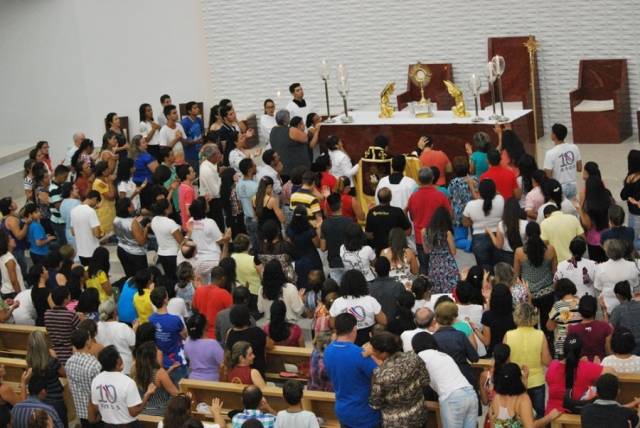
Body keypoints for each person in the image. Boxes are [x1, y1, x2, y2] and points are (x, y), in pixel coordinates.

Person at [324, 313, 381, 428]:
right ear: (354, 329)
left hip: (342, 411)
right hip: (365, 414)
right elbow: (380, 377)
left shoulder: (328, 351)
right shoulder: (361, 354)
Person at [412, 332, 478, 428]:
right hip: (470, 393)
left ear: (415, 346)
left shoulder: (421, 356)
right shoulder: (444, 355)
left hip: (452, 397)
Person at [366, 331, 429, 428]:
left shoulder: (380, 374)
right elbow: (425, 381)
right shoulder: (414, 357)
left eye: (373, 350)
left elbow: (375, 403)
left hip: (397, 423)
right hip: (419, 415)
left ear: (383, 353)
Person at [88, 345, 158, 425]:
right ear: (118, 361)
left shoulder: (96, 380)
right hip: (128, 425)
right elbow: (134, 412)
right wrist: (147, 395)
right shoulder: (128, 382)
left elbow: (95, 408)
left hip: (107, 425)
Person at [503, 303, 552, 417]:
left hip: (515, 381)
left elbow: (505, 361)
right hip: (537, 381)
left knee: (517, 417)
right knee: (538, 417)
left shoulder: (508, 335)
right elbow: (546, 361)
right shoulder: (540, 334)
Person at [545, 334, 605, 414]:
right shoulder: (588, 367)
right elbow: (612, 374)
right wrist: (596, 367)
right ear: (580, 351)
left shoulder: (552, 365)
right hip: (577, 415)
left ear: (564, 350)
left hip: (552, 417)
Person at [407, 167, 452, 273]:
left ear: (418, 180)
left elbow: (412, 217)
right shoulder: (440, 196)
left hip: (420, 238)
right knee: (440, 267)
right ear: (432, 178)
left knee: (424, 267)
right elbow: (449, 215)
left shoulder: (413, 197)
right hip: (439, 236)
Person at [490, 363, 561, 427]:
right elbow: (530, 426)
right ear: (519, 378)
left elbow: (493, 423)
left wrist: (525, 379)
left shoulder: (496, 398)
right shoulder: (523, 399)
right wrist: (549, 417)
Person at [330, 269, 386, 345]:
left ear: (343, 284)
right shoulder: (370, 300)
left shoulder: (337, 302)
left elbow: (332, 324)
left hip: (345, 342)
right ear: (363, 284)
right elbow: (383, 321)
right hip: (367, 342)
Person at [462, 178, 504, 270]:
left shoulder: (471, 205)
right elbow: (493, 196)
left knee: (484, 270)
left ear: (479, 191)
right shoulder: (500, 200)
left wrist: (472, 187)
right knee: (498, 268)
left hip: (479, 240)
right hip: (498, 236)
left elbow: (465, 223)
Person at [149, 287, 188, 382]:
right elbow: (185, 335)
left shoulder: (151, 319)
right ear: (166, 299)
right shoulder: (175, 319)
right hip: (176, 362)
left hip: (160, 362)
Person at [65, 328, 101, 427]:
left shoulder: (69, 362)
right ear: (87, 342)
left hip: (80, 411)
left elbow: (71, 388)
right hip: (96, 413)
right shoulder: (94, 364)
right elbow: (99, 391)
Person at [132, 341, 179, 416]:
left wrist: (169, 370)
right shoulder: (160, 373)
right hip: (160, 411)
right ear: (153, 355)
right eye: (157, 349)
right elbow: (176, 394)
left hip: (143, 410)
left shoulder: (135, 369)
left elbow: (154, 381)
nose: (160, 351)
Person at [595, 239, 640, 314]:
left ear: (607, 253)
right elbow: (635, 284)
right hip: (628, 305)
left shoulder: (601, 267)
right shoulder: (631, 265)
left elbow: (598, 287)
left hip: (609, 306)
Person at [577, 174, 613, 262]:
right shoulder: (609, 200)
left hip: (593, 241)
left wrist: (580, 209)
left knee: (596, 265)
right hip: (609, 238)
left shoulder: (588, 205)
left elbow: (587, 225)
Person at [95, 299, 136, 375]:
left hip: (107, 368)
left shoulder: (96, 327)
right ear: (115, 312)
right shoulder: (123, 327)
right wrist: (134, 330)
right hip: (125, 367)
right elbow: (133, 346)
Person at [319, 193, 354, 284]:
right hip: (349, 261)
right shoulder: (349, 222)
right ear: (341, 204)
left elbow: (323, 248)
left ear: (329, 206)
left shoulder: (325, 224)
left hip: (333, 263)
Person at [365, 187, 412, 254]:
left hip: (379, 251)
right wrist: (405, 214)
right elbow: (408, 232)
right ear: (390, 198)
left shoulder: (371, 212)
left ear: (378, 198)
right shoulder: (398, 212)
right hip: (396, 250)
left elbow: (368, 235)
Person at [226, 305, 270, 375]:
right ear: (249, 318)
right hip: (257, 374)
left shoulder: (229, 333)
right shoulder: (257, 332)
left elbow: (228, 354)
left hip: (237, 375)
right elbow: (270, 345)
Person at [425, 206, 460, 293]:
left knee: (436, 289)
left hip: (434, 264)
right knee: (450, 289)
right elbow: (453, 251)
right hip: (447, 263)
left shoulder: (427, 232)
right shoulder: (447, 233)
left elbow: (427, 250)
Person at [287, 205, 323, 290]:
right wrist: (318, 229)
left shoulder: (290, 229)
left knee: (302, 286)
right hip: (312, 260)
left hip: (298, 260)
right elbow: (318, 244)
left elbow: (289, 245)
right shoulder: (309, 230)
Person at [568, 295, 613, 361]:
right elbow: (608, 352)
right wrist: (604, 310)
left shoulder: (572, 329)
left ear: (580, 309)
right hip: (600, 366)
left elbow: (572, 354)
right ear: (595, 309)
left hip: (581, 368)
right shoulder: (605, 327)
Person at [543, 123, 582, 200]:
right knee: (573, 209)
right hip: (573, 185)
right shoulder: (574, 148)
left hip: (559, 187)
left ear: (554, 135)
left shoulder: (550, 153)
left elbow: (548, 176)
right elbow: (579, 168)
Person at [192, 266, 232, 339]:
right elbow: (231, 315)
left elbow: (194, 309)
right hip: (217, 336)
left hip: (201, 334)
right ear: (223, 278)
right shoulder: (224, 294)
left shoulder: (198, 291)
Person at [547, 278, 582, 359]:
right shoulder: (581, 302)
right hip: (578, 344)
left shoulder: (558, 306)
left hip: (562, 345)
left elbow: (550, 327)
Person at [183, 312, 224, 381]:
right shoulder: (212, 344)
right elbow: (223, 363)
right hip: (212, 382)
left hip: (193, 380)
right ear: (205, 326)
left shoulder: (187, 341)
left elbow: (187, 357)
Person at [45, 287, 80, 365]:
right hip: (70, 354)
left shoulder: (47, 314)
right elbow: (81, 332)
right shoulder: (71, 315)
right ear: (65, 299)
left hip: (54, 354)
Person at [487, 198, 526, 265]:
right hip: (523, 254)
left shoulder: (501, 225)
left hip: (507, 256)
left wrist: (490, 232)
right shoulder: (526, 224)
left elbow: (499, 245)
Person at [70, 190, 102, 265]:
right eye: (97, 202)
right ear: (94, 199)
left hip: (81, 250)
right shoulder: (91, 211)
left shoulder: (73, 211)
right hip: (92, 250)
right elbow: (97, 234)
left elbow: (73, 232)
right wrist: (102, 235)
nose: (96, 205)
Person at [610, 281, 640, 355]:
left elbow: (609, 330)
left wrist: (603, 310)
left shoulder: (617, 310)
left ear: (617, 295)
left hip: (626, 349)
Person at [620, 149, 640, 251]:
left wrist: (634, 201)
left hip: (635, 214)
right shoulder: (632, 177)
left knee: (634, 241)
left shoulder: (632, 178)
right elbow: (624, 196)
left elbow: (623, 195)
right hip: (635, 212)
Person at [0, 232, 24, 299]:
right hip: (12, 293)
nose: (13, 239)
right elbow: (14, 281)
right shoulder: (9, 259)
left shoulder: (3, 256)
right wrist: (20, 296)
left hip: (6, 291)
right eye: (10, 238)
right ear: (6, 243)